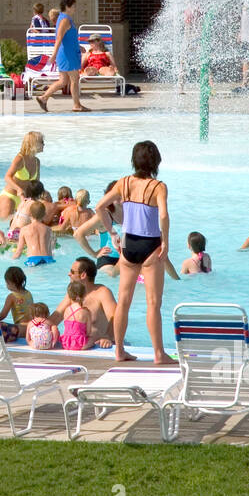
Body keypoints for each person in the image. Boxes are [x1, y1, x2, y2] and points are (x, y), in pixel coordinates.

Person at [93, 140, 171, 364]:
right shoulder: (158, 187)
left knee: (123, 301)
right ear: (155, 161)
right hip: (150, 244)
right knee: (153, 302)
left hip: (128, 245)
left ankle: (119, 352)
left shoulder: (123, 183)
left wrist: (113, 233)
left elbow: (100, 207)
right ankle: (158, 353)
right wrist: (165, 241)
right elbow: (163, 216)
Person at [37, 0, 88, 112]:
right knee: (74, 79)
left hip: (68, 52)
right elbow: (59, 38)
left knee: (63, 81)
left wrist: (78, 46)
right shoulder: (64, 19)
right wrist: (54, 55)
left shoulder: (64, 18)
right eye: (73, 6)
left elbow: (67, 37)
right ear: (67, 7)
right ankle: (77, 105)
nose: (75, 8)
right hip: (67, 55)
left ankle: (43, 98)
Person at [63, 256, 115, 347]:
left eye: (72, 272)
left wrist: (107, 337)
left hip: (101, 345)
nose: (68, 274)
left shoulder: (102, 292)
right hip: (79, 344)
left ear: (83, 275)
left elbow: (115, 317)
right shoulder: (74, 293)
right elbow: (57, 315)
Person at [0, 130, 44, 219]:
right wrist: (19, 189)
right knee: (5, 225)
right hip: (10, 197)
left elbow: (36, 184)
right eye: (41, 142)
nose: (44, 144)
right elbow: (7, 177)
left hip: (25, 199)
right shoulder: (19, 159)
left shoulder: (37, 162)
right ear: (33, 144)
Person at [12, 200, 55, 266]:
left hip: (33, 260)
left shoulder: (24, 230)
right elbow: (52, 249)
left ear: (30, 214)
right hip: (48, 259)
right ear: (44, 214)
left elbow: (18, 252)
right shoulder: (49, 230)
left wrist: (12, 260)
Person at [0, 266, 32, 341]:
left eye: (6, 282)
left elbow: (3, 315)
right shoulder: (28, 293)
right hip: (31, 327)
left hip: (20, 329)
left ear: (11, 283)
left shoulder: (12, 296)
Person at [58, 281, 94, 351]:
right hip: (80, 344)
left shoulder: (66, 310)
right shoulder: (86, 312)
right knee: (93, 338)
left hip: (66, 343)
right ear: (84, 295)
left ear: (69, 295)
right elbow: (88, 332)